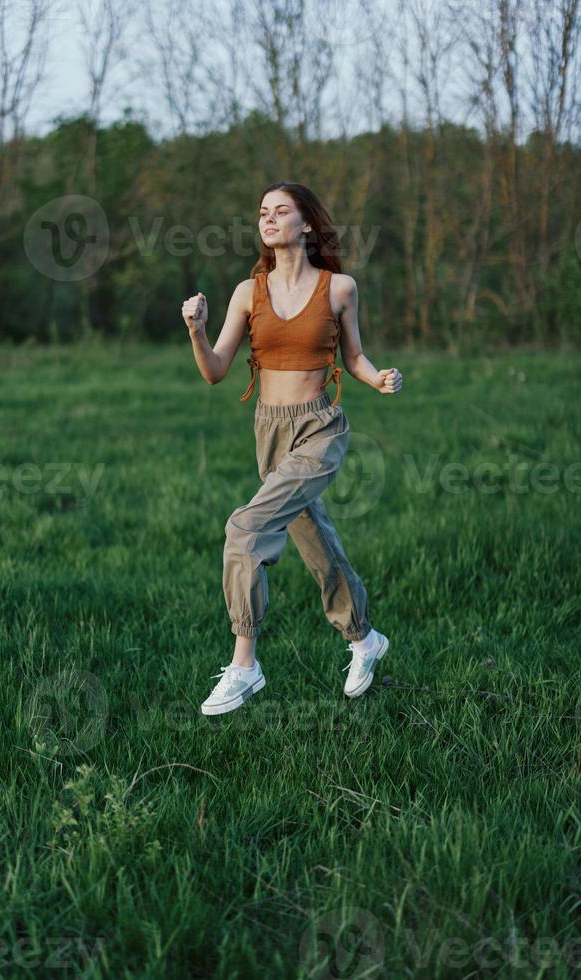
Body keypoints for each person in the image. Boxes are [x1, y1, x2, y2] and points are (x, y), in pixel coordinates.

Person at [182, 181, 402, 717]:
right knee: (314, 542)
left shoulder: (339, 288)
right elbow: (215, 372)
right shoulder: (246, 292)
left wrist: (377, 380)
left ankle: (245, 664)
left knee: (245, 529)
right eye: (263, 211)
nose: (269, 218)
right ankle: (363, 638)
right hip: (270, 431)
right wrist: (196, 330)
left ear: (307, 224)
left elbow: (353, 357)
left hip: (320, 429)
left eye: (282, 211)